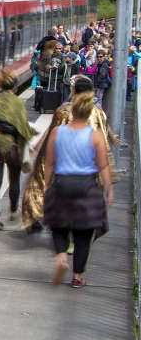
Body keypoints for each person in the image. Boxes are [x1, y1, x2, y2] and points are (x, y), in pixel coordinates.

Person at [22, 75, 119, 233]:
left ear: (73, 91)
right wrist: (108, 185)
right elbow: (103, 144)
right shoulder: (98, 113)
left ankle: (61, 232)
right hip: (88, 170)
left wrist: (39, 150)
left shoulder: (64, 111)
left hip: (64, 168)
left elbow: (50, 135)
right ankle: (76, 235)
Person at [42, 92, 113, 287]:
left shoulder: (57, 132)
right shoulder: (95, 135)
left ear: (72, 111)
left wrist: (47, 185)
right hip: (87, 186)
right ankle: (77, 276)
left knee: (58, 224)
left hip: (62, 183)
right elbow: (103, 165)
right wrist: (109, 189)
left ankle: (62, 256)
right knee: (83, 234)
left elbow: (49, 162)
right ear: (90, 112)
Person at [0, 68, 36, 230]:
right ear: (15, 87)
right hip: (14, 147)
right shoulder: (19, 103)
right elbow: (23, 127)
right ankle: (12, 210)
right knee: (14, 180)